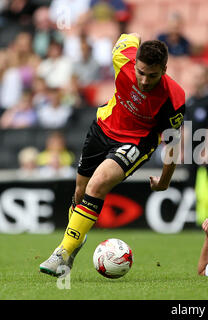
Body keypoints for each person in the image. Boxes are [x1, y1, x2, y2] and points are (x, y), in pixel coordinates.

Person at [39, 33, 186, 276]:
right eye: (140, 72)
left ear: (164, 69)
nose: (145, 80)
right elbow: (130, 36)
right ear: (135, 62)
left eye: (153, 75)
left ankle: (62, 252)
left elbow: (172, 144)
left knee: (96, 187)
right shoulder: (122, 56)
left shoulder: (174, 97)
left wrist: (164, 181)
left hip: (136, 141)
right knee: (80, 192)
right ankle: (76, 239)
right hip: (102, 128)